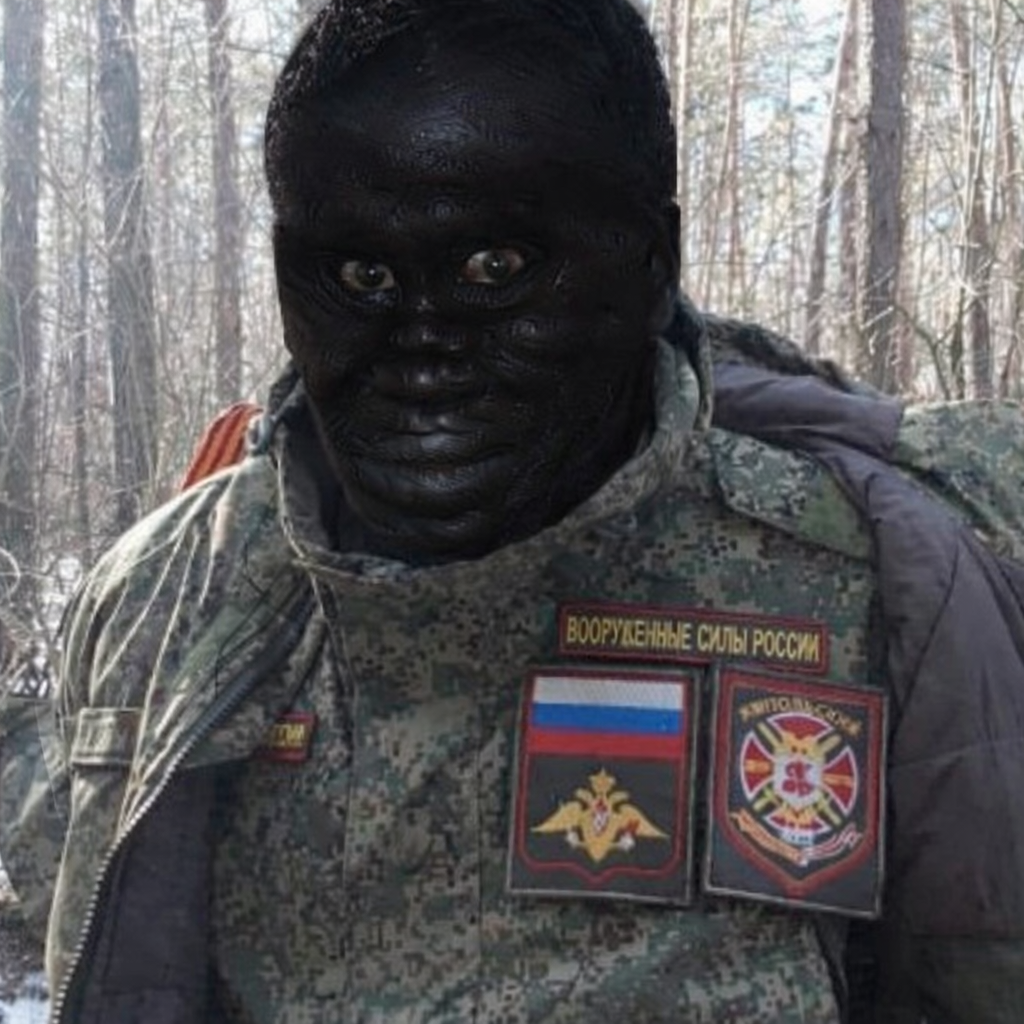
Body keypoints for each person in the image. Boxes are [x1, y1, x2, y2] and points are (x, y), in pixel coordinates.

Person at [2, 0, 1024, 1021]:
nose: (423, 347)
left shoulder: (877, 581)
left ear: (652, 262)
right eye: (360, 275)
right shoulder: (162, 604)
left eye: (496, 270)